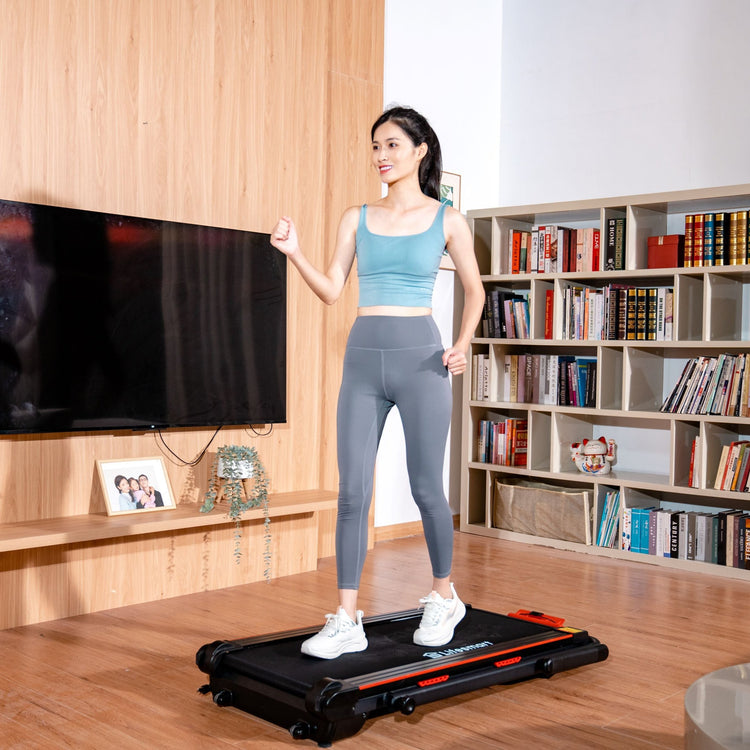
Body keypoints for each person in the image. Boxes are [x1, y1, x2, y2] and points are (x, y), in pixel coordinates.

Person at [271, 106, 484, 659]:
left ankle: (444, 595)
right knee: (352, 494)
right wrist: (295, 253)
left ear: (420, 151)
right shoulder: (356, 217)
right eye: (375, 147)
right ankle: (346, 618)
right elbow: (331, 289)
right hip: (363, 359)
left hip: (422, 359)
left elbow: (476, 291)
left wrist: (461, 344)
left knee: (425, 488)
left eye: (391, 145)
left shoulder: (448, 219)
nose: (381, 157)